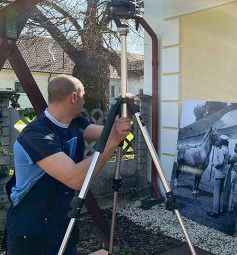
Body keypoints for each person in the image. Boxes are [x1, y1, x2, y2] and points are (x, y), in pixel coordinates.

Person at [5, 75, 139, 255]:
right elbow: (74, 178)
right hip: (30, 229)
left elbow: (108, 133)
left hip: (60, 220)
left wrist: (123, 113)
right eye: (83, 96)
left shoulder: (73, 123)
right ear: (74, 97)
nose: (84, 101)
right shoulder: (36, 135)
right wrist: (113, 142)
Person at [207, 135, 229, 218]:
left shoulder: (221, 151)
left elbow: (220, 162)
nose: (219, 141)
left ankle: (215, 212)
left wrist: (214, 164)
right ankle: (220, 210)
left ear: (222, 141)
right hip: (223, 174)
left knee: (216, 193)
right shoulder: (227, 149)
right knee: (220, 192)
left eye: (220, 140)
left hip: (219, 174)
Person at [223, 142, 237, 212]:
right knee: (231, 190)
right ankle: (229, 206)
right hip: (235, 173)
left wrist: (227, 155)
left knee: (227, 189)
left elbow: (228, 161)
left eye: (235, 147)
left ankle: (227, 206)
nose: (234, 148)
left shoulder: (235, 155)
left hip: (232, 172)